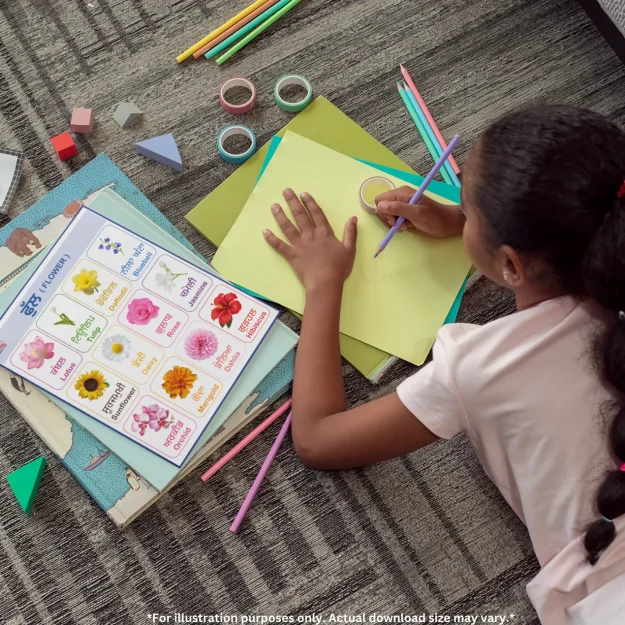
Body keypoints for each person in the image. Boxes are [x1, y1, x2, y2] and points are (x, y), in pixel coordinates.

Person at [261, 105, 625, 624]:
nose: (458, 209)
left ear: (510, 264)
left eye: (468, 209)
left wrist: (323, 284)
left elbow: (319, 440)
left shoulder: (483, 367)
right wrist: (466, 223)